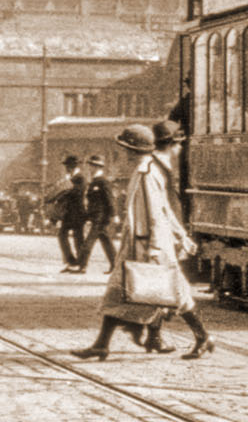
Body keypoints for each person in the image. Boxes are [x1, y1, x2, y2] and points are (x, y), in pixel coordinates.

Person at [70, 124, 211, 361]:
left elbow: (156, 212)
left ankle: (202, 336)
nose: (124, 154)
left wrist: (155, 246)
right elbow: (164, 209)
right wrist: (180, 235)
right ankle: (102, 344)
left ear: (134, 150)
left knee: (174, 293)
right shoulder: (147, 170)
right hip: (142, 242)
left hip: (148, 244)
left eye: (126, 149)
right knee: (119, 292)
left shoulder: (146, 173)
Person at [78, 155, 118, 273]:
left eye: (92, 166)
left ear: (97, 167)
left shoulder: (103, 181)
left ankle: (82, 266)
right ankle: (116, 265)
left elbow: (110, 199)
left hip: (100, 218)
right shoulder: (94, 181)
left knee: (89, 241)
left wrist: (114, 215)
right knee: (106, 242)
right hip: (96, 216)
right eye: (90, 165)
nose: (90, 168)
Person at [55, 155, 89, 272]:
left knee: (78, 238)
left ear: (72, 167)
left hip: (78, 212)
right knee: (62, 235)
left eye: (67, 166)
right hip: (69, 213)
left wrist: (62, 193)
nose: (66, 168)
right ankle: (71, 261)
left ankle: (81, 264)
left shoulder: (80, 178)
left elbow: (76, 192)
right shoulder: (72, 178)